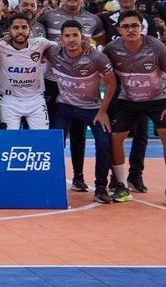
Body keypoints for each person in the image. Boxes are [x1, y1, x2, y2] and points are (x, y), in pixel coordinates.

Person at [105, 10, 166, 206]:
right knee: (115, 137)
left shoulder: (156, 47)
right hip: (128, 98)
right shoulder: (111, 50)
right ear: (119, 30)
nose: (131, 30)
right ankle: (122, 185)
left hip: (158, 97)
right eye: (126, 26)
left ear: (142, 28)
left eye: (135, 26)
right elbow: (99, 69)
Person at [47, 20, 118, 202]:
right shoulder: (53, 52)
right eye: (67, 36)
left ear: (82, 37)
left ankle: (101, 188)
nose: (71, 40)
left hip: (92, 108)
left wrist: (103, 111)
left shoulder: (97, 57)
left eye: (75, 35)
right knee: (54, 143)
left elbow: (111, 83)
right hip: (65, 106)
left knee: (104, 142)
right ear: (60, 38)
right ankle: (51, 184)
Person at [0, 13, 57, 130]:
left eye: (24, 27)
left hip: (35, 99)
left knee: (41, 138)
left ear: (30, 29)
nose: (20, 31)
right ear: (9, 30)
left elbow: (63, 49)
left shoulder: (41, 43)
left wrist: (84, 46)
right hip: (9, 100)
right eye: (16, 28)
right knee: (9, 139)